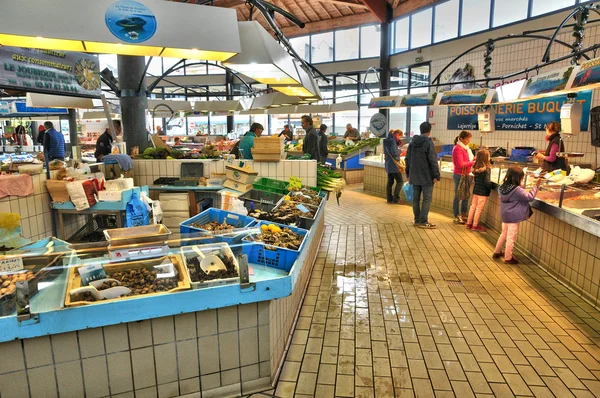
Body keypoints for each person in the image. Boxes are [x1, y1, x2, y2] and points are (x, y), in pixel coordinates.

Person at [493, 166, 542, 264]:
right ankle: (508, 257)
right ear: (517, 178)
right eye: (521, 178)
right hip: (514, 216)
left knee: (504, 234)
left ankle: (497, 252)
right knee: (511, 237)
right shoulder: (517, 190)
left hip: (505, 215)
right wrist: (536, 186)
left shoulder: (502, 187)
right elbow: (530, 197)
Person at [405, 122, 440, 229]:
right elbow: (433, 160)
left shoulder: (412, 142)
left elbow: (407, 159)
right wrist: (436, 175)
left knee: (416, 198)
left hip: (414, 175)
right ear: (429, 131)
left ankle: (417, 220)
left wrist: (408, 173)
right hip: (426, 176)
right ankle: (423, 221)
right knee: (426, 199)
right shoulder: (428, 143)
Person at [466, 149, 495, 232]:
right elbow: (487, 182)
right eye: (489, 156)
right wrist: (490, 187)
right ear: (486, 158)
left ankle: (469, 223)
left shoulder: (476, 167)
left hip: (476, 190)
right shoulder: (487, 169)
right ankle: (475, 225)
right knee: (479, 209)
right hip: (483, 192)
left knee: (473, 207)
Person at [452, 130, 475, 224]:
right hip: (459, 175)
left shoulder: (465, 148)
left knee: (466, 195)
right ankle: (456, 215)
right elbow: (460, 164)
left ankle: (463, 214)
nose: (469, 140)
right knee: (458, 196)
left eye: (469, 138)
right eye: (467, 139)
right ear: (461, 138)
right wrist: (473, 163)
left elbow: (467, 160)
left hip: (467, 174)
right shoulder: (458, 149)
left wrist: (474, 159)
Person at [383, 129, 404, 204]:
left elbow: (388, 151)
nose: (399, 139)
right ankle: (396, 199)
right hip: (394, 165)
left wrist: (397, 143)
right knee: (400, 181)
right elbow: (394, 152)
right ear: (397, 134)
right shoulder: (392, 141)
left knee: (390, 182)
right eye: (399, 137)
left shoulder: (387, 140)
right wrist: (401, 151)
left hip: (388, 163)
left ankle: (389, 198)